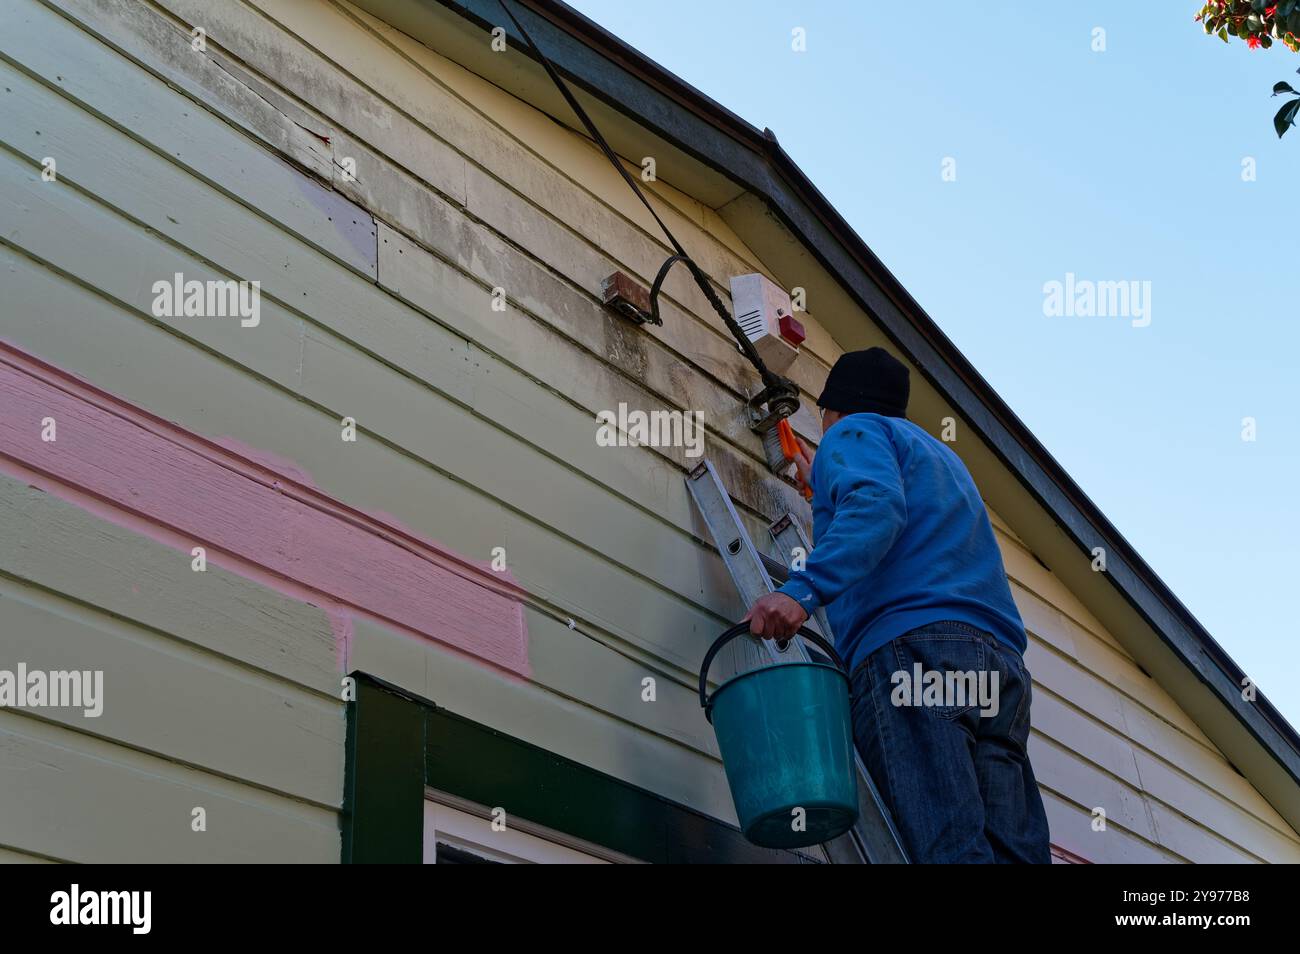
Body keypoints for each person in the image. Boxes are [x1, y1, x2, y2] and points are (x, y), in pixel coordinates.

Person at [744, 347, 1050, 863]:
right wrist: (826, 485)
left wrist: (799, 590)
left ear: (835, 410)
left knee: (947, 849)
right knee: (1010, 853)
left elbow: (877, 507)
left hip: (914, 655)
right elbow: (894, 504)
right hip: (998, 671)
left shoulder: (849, 432)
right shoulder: (939, 458)